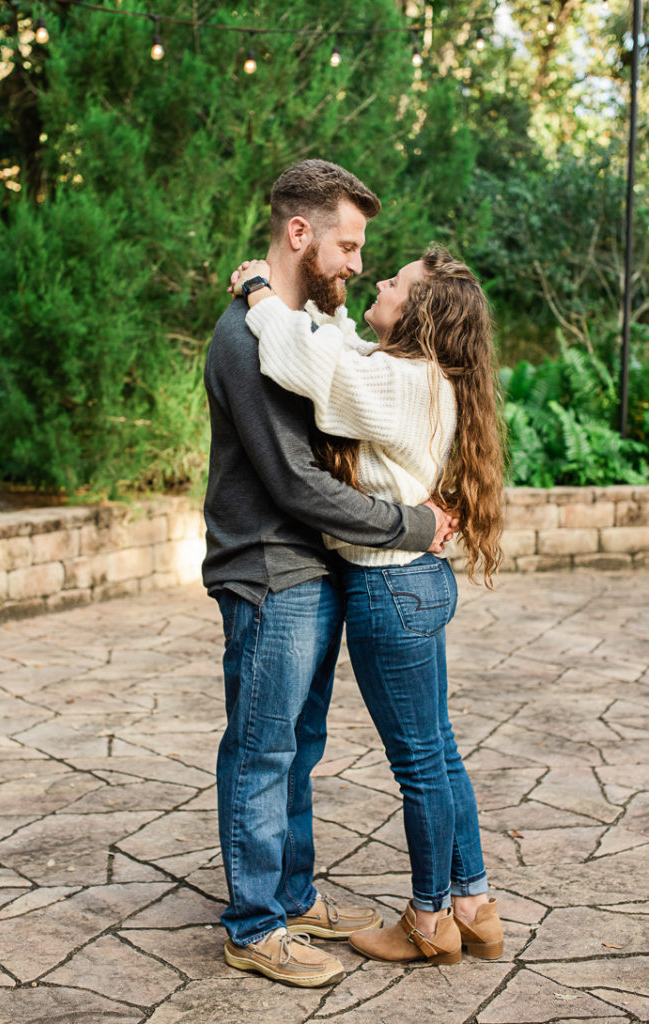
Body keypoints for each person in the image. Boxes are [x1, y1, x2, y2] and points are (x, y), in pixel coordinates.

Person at [202, 160, 457, 988]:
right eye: (346, 245)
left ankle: (294, 894)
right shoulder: (247, 339)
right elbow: (295, 483)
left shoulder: (293, 327)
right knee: (261, 750)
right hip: (269, 571)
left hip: (308, 571)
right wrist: (411, 524)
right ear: (299, 233)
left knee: (296, 746)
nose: (353, 263)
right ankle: (255, 923)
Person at [231, 246, 505, 966]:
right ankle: (472, 903)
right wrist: (324, 305)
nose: (380, 280)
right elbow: (342, 348)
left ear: (418, 312)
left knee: (418, 763)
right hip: (415, 581)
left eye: (397, 282)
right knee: (438, 751)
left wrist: (260, 289)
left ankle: (426, 919)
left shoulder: (398, 381)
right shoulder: (415, 377)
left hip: (388, 585)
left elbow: (305, 362)